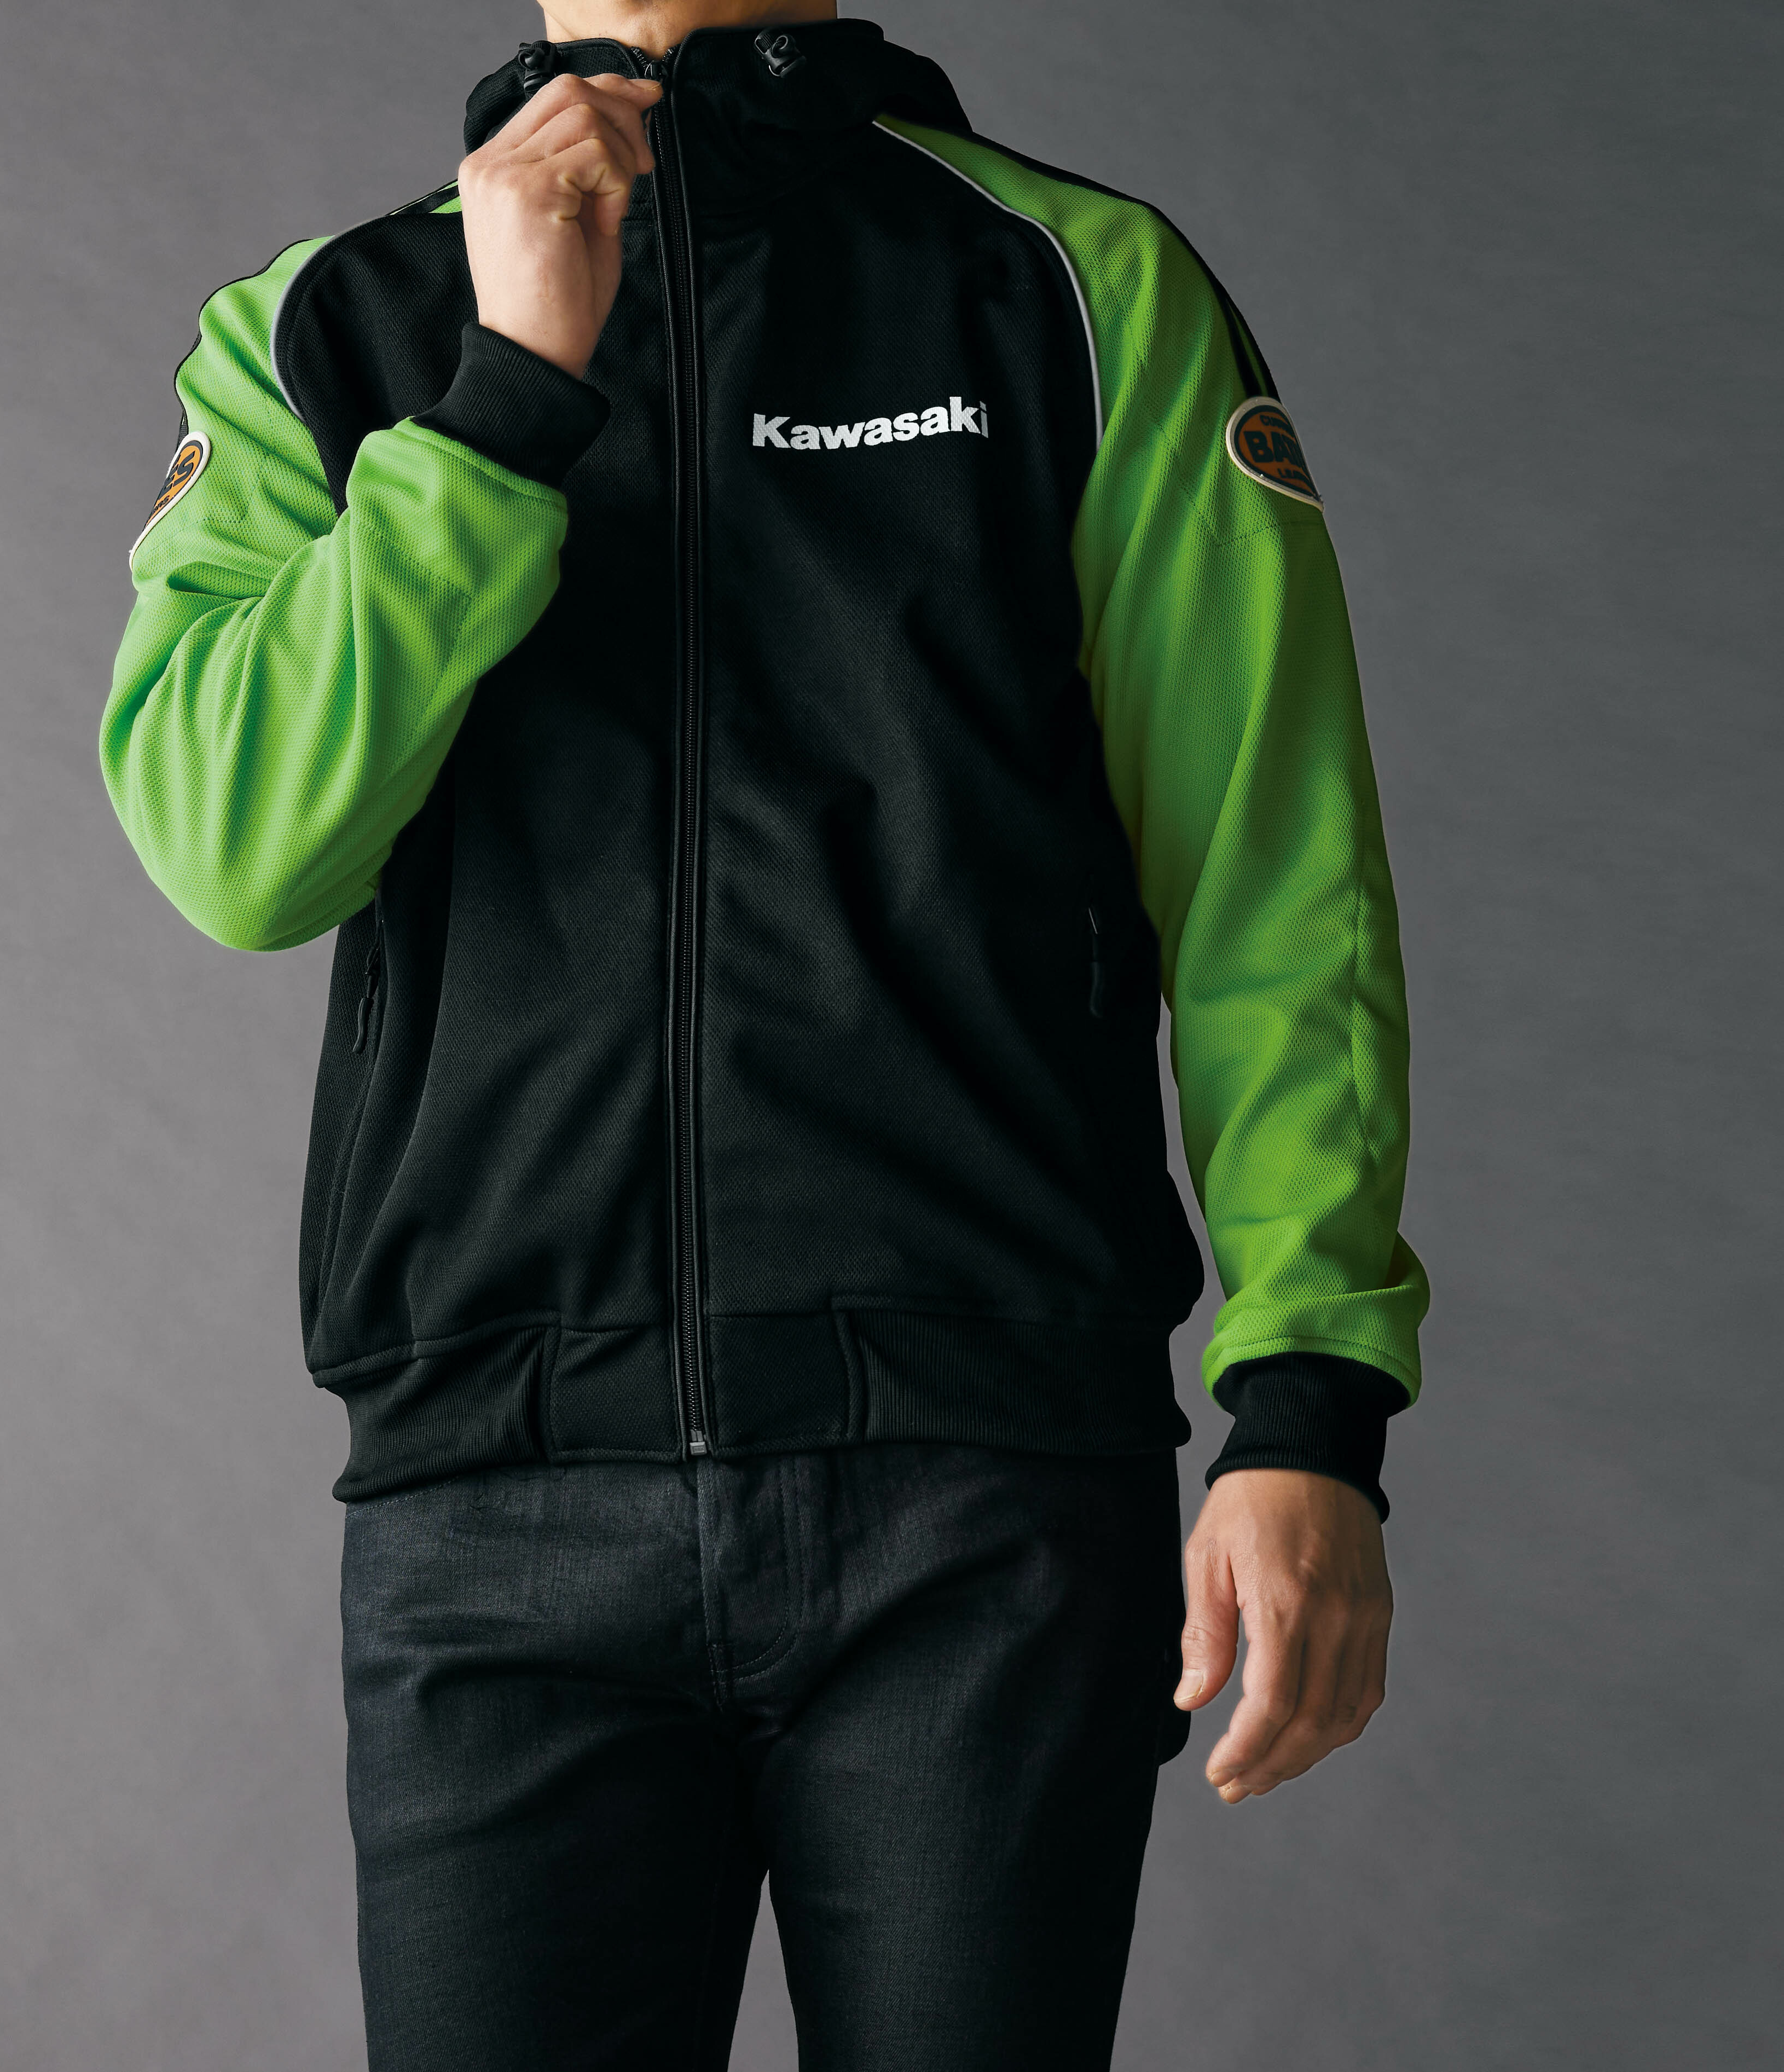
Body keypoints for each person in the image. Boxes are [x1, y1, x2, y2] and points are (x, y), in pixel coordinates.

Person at [101, 2, 1428, 2065]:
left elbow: (1275, 874)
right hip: (497, 1520)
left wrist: (1311, 1409)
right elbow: (235, 844)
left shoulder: (1075, 287)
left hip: (977, 1498)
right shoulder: (326, 330)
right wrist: (507, 393)